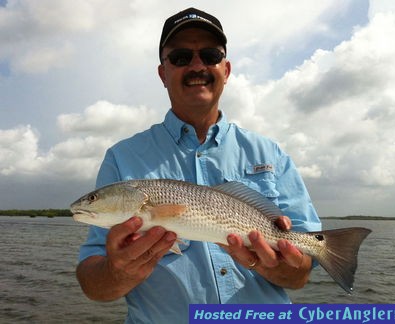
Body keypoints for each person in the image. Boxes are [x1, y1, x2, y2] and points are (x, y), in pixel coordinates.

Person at [76, 7, 321, 324]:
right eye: (180, 57)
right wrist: (115, 270)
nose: (196, 66)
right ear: (163, 73)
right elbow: (94, 285)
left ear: (226, 69)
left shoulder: (270, 152)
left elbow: (300, 276)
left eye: (209, 55)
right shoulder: (121, 157)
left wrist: (282, 266)